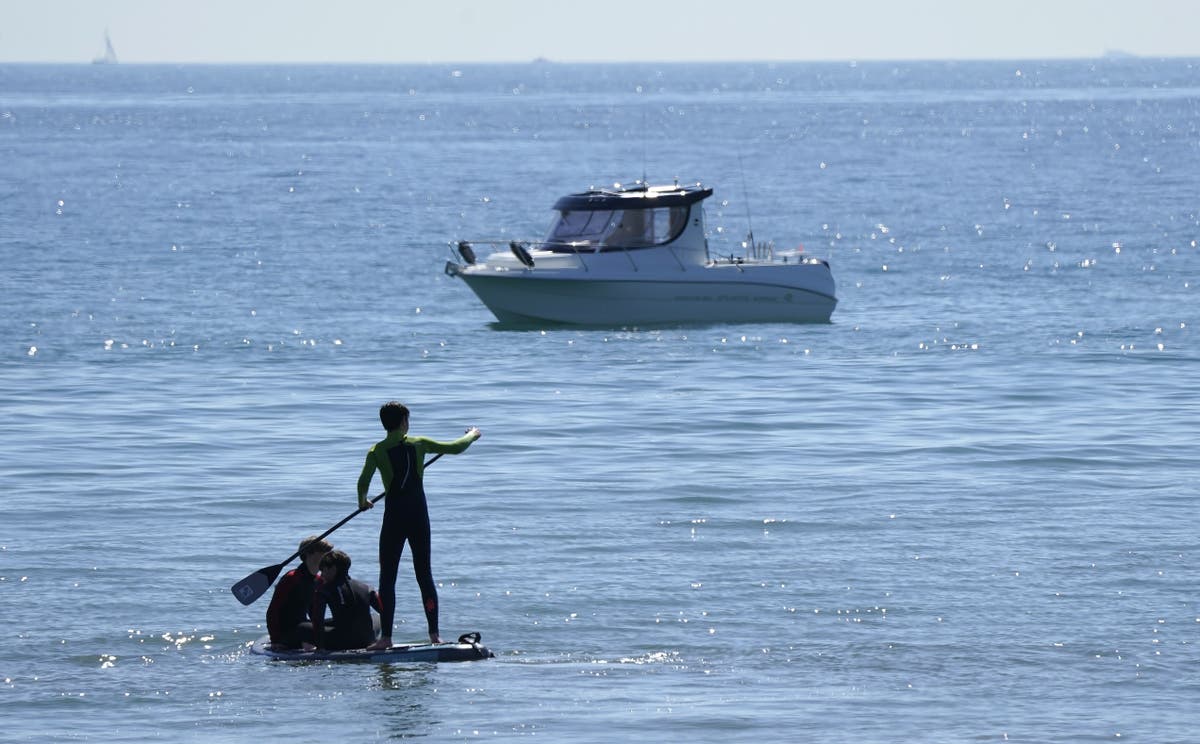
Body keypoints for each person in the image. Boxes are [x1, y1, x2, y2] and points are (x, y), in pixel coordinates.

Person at [357, 401, 481, 650]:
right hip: (418, 517)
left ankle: (386, 639)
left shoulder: (376, 451)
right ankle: (434, 635)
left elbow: (363, 482)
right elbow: (456, 448)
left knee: (387, 579)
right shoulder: (419, 443)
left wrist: (363, 502)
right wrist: (472, 435)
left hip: (393, 519)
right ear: (404, 421)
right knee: (424, 574)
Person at [265, 535, 333, 649]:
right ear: (308, 554)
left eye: (328, 552)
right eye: (323, 552)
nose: (328, 556)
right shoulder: (291, 578)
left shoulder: (319, 580)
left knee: (339, 623)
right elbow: (273, 611)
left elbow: (314, 613)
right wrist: (275, 640)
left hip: (304, 627)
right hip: (287, 631)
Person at [310, 549, 382, 651]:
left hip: (341, 642)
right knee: (376, 617)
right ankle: (381, 641)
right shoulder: (366, 587)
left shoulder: (324, 590)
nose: (321, 575)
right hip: (367, 640)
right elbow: (385, 611)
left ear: (333, 569)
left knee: (301, 627)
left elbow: (318, 619)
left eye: (323, 570)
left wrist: (320, 647)